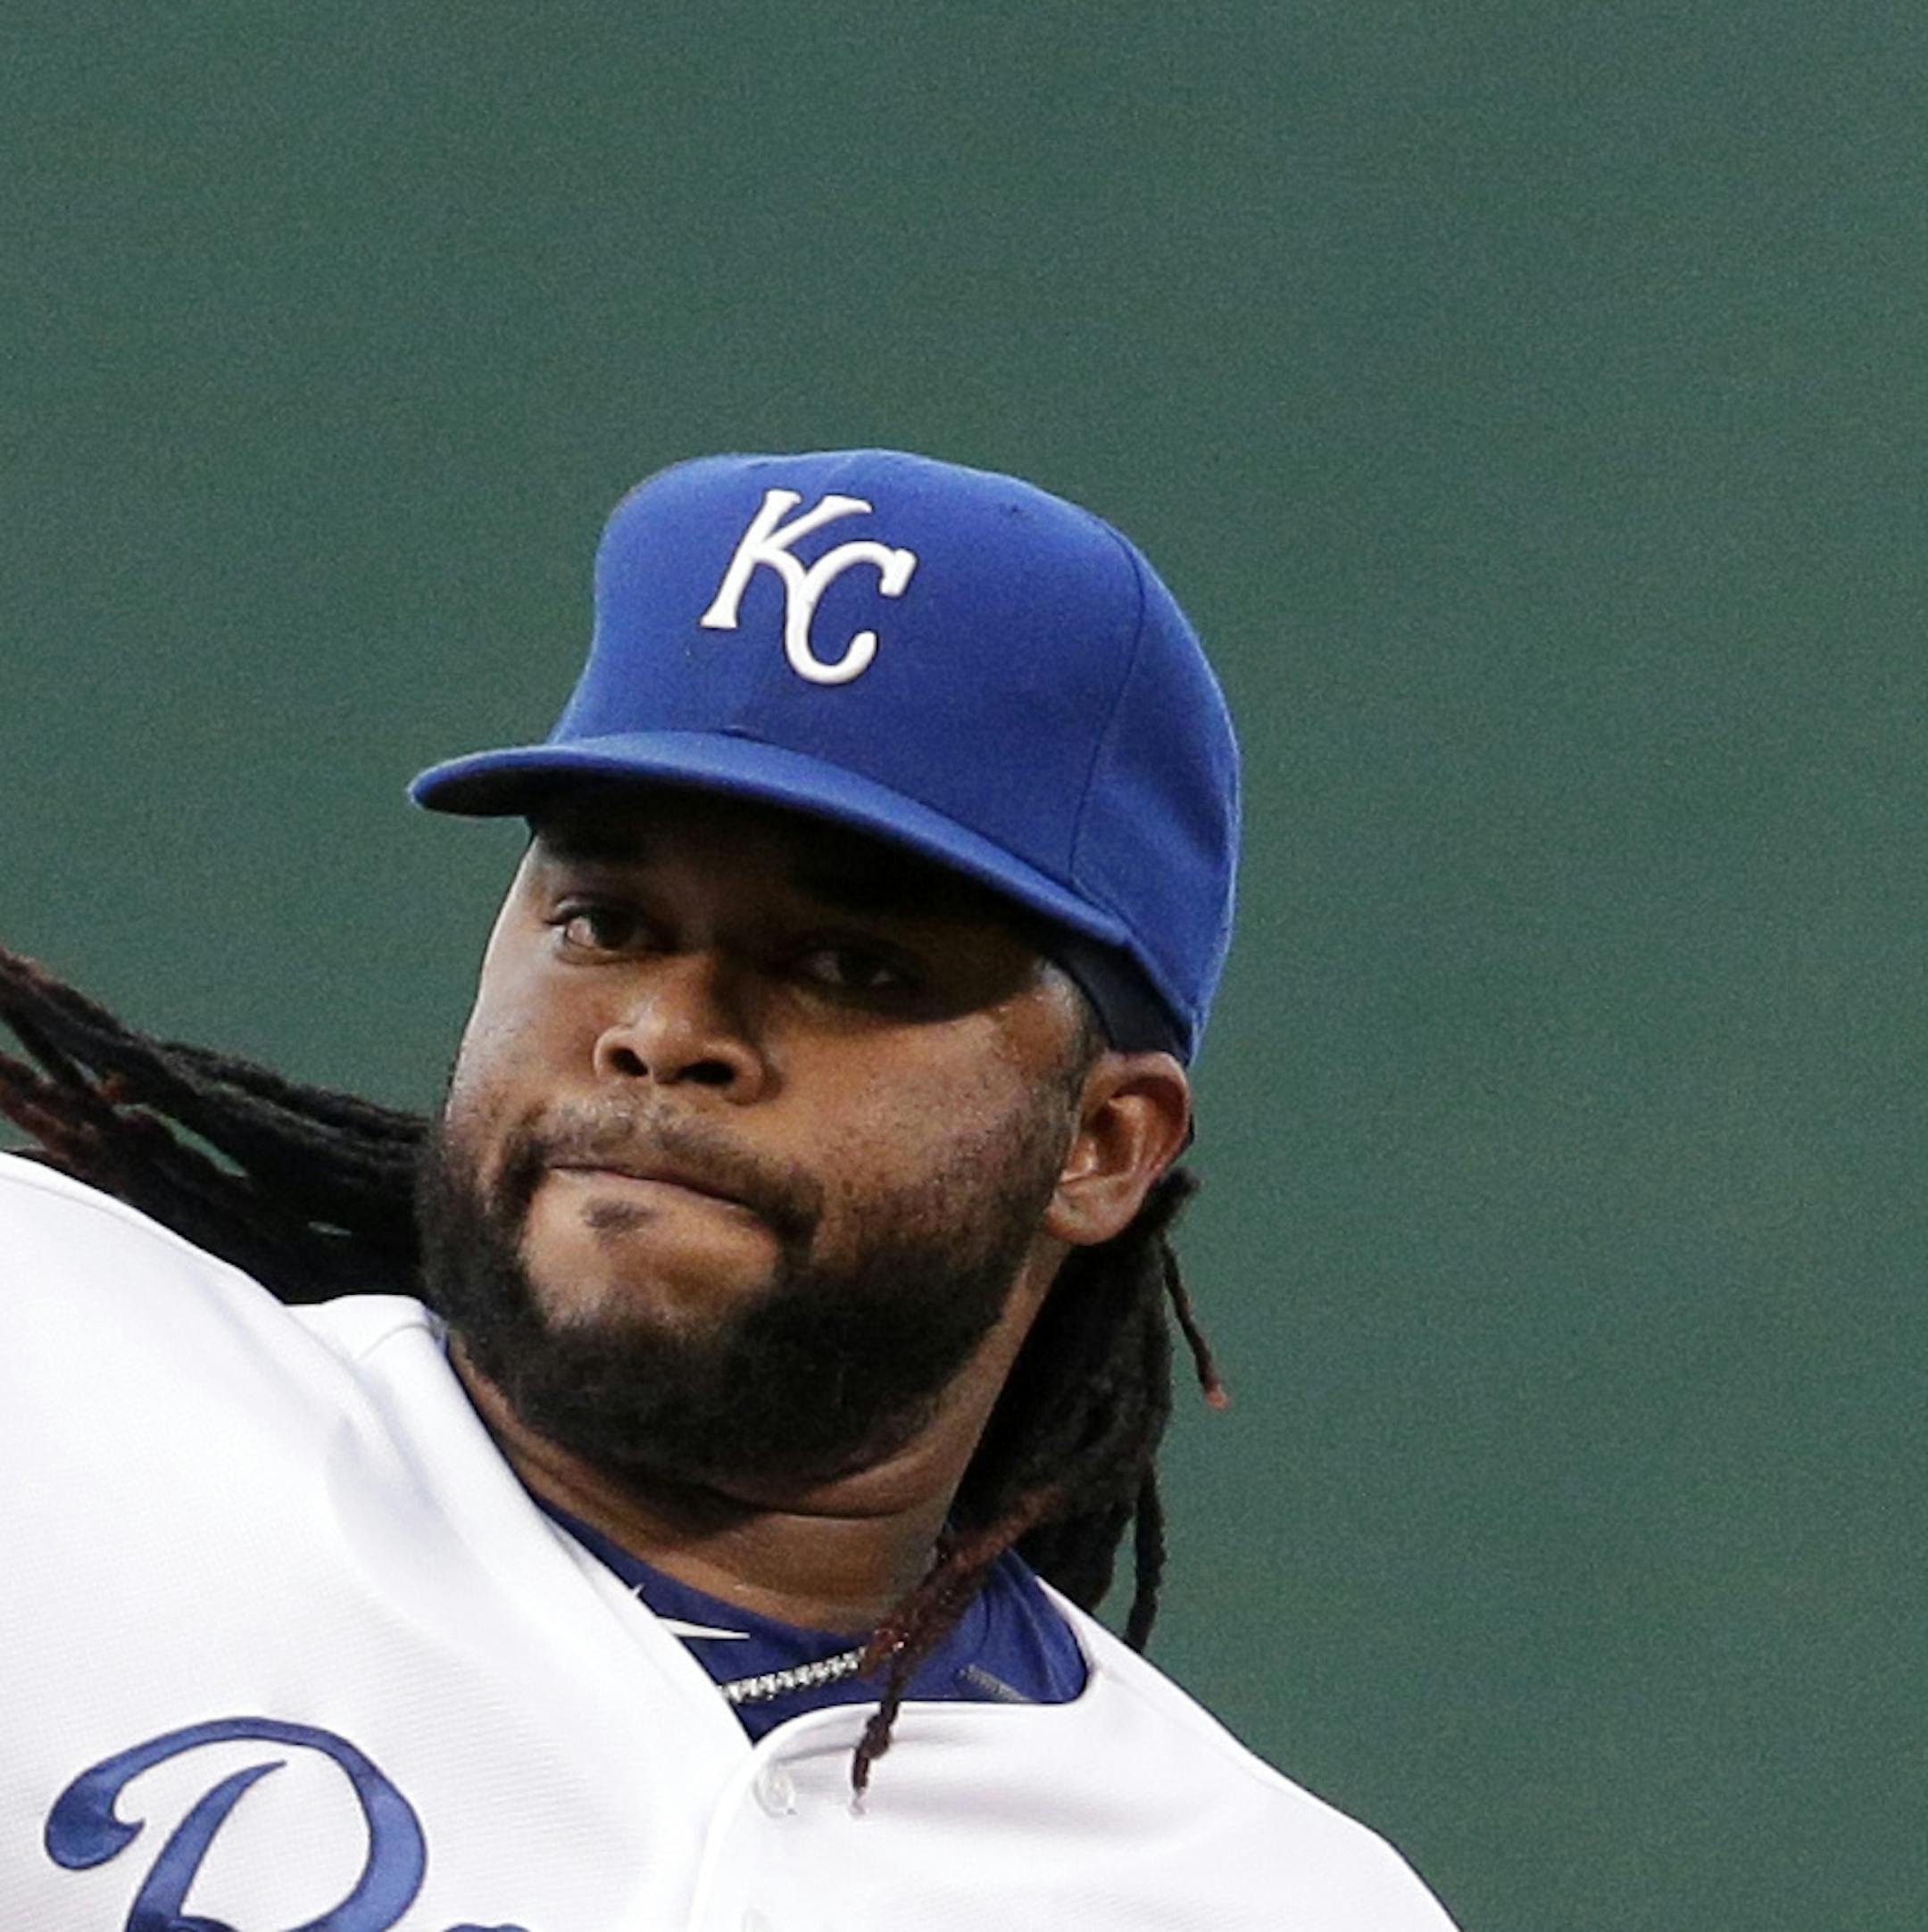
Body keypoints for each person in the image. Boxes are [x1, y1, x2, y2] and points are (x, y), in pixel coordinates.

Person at [0, 450, 1457, 1930]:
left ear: (1103, 1142)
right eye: (605, 921)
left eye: (848, 965)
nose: (664, 1027)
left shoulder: (1263, 1898)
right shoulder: (49, 1381)